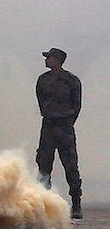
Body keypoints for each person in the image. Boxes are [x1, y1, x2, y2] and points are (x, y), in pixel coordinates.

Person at [36, 47, 82, 218]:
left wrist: (67, 121)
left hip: (65, 127)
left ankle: (76, 205)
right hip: (48, 126)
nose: (46, 60)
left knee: (70, 166)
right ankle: (44, 204)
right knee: (44, 166)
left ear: (57, 60)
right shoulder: (42, 80)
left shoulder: (71, 81)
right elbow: (41, 102)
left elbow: (76, 105)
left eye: (49, 57)